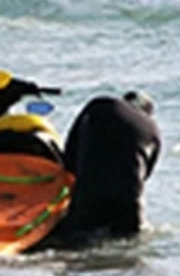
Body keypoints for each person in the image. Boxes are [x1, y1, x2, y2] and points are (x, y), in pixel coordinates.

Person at [52, 90, 161, 244]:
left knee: (71, 246)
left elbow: (70, 157)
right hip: (130, 205)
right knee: (126, 253)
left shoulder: (101, 105)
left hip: (90, 196)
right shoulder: (153, 131)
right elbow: (145, 175)